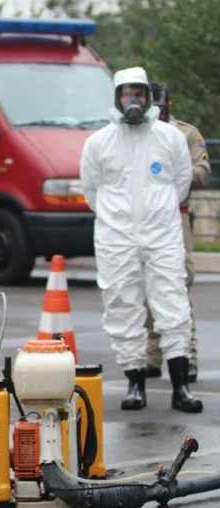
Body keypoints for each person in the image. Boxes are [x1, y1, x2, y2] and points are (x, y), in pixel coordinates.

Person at [80, 67, 202, 413]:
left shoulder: (170, 137)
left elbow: (181, 183)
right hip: (116, 238)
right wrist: (117, 220)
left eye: (139, 93)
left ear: (149, 96)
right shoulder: (98, 142)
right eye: (126, 94)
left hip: (162, 235)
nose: (132, 100)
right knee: (122, 306)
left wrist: (155, 215)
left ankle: (181, 387)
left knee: (172, 303)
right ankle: (136, 386)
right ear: (116, 97)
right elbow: (91, 189)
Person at [143, 82, 211, 383]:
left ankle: (188, 356)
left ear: (168, 106)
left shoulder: (186, 134)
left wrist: (174, 172)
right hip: (142, 217)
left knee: (178, 285)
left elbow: (203, 172)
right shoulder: (135, 134)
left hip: (175, 214)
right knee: (145, 286)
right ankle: (152, 357)